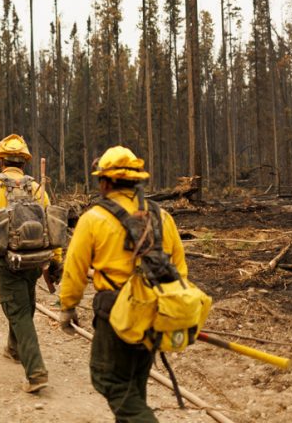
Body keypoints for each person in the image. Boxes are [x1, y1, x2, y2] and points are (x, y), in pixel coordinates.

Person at [58, 146, 188, 422]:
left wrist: (68, 307)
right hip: (156, 309)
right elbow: (180, 269)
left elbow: (75, 269)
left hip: (116, 314)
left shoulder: (93, 218)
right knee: (134, 386)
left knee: (108, 380)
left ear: (105, 182)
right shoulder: (162, 217)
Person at [0, 134, 62, 393]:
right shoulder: (37, 189)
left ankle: (36, 372)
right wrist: (56, 260)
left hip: (6, 260)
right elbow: (53, 225)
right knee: (25, 303)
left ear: (1, 162)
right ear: (25, 163)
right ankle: (14, 348)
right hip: (35, 259)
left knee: (17, 309)